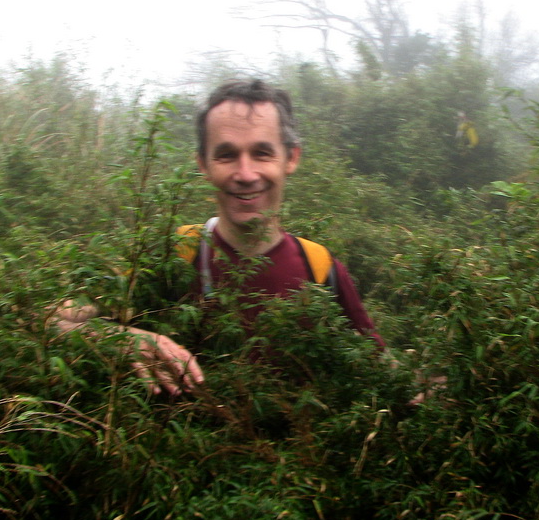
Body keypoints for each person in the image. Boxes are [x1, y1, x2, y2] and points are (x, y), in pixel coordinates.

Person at [52, 79, 382, 396]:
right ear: (203, 164)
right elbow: (51, 319)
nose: (246, 174)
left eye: (262, 153)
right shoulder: (169, 253)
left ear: (291, 158)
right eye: (226, 155)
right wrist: (121, 337)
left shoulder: (321, 269)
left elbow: (381, 368)